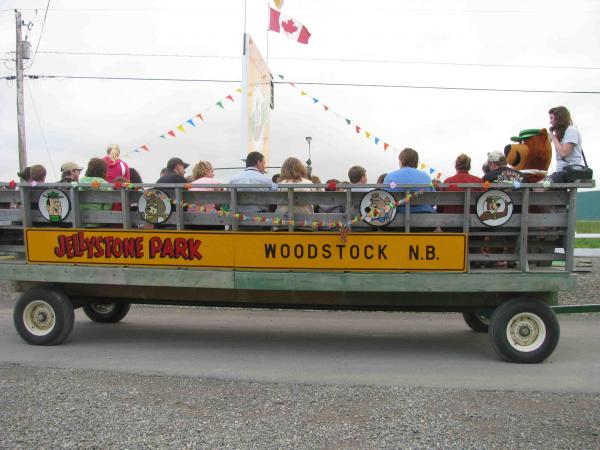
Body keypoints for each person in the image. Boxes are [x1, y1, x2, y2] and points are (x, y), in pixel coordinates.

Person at [384, 148, 435, 213]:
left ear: (401, 161)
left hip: (398, 217)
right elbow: (433, 199)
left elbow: (384, 198)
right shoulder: (426, 176)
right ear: (416, 162)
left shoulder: (389, 176)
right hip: (425, 216)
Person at [275, 157, 315, 228]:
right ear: (300, 168)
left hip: (283, 224)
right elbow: (314, 203)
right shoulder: (308, 183)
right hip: (306, 224)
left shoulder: (280, 184)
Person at [547, 106, 585, 182]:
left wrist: (554, 138)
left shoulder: (571, 131)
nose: (550, 122)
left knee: (539, 186)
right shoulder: (562, 134)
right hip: (562, 173)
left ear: (559, 118)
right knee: (536, 183)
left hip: (570, 172)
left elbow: (563, 153)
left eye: (551, 118)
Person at [79, 157, 112, 226]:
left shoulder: (80, 182)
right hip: (98, 222)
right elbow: (108, 206)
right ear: (103, 171)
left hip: (80, 220)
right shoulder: (105, 185)